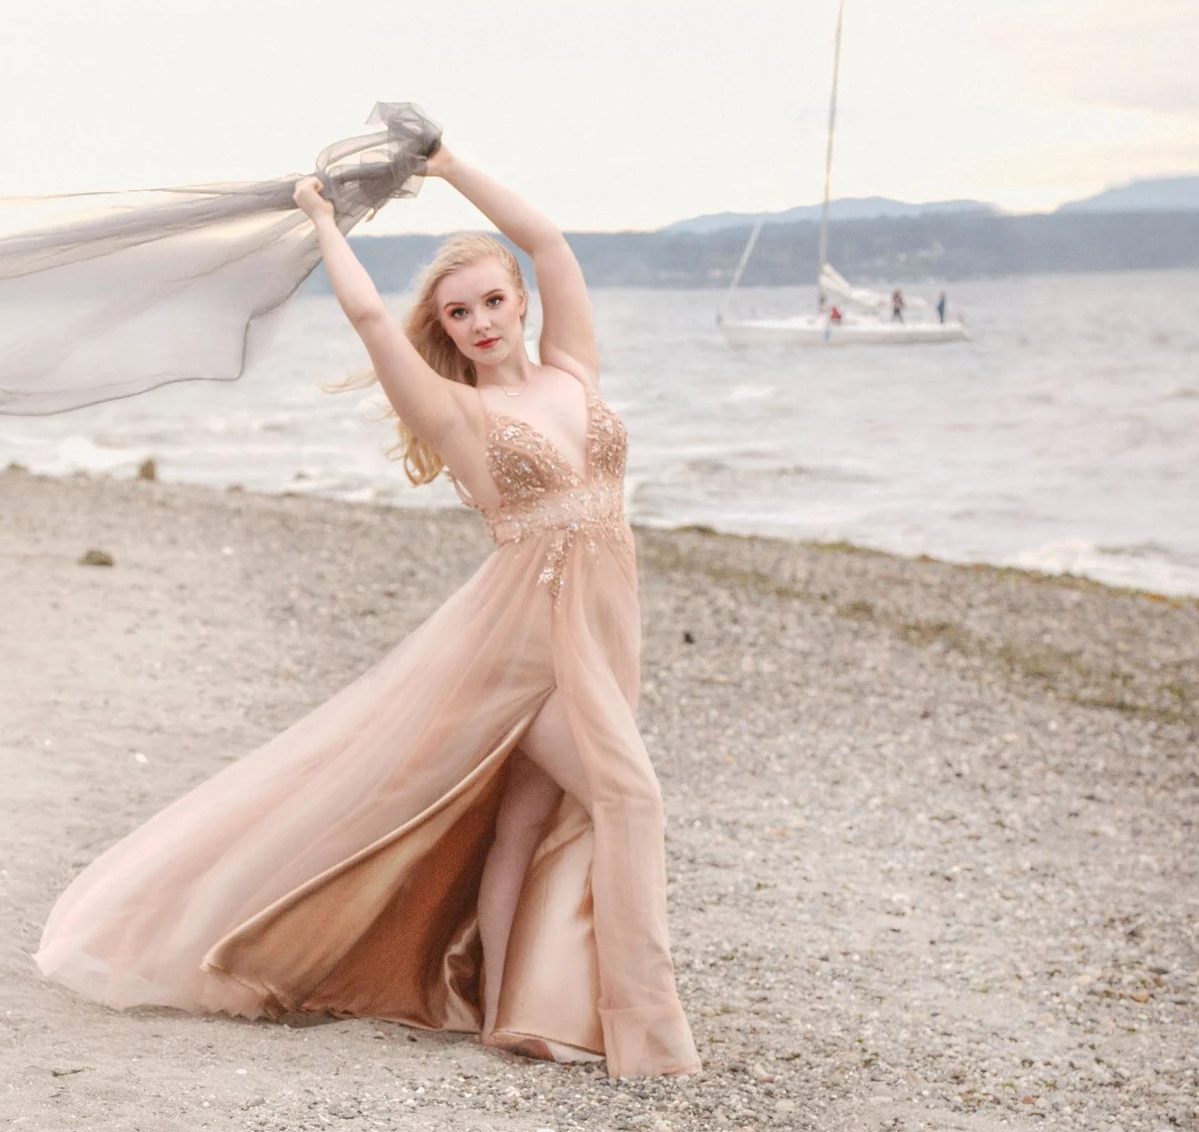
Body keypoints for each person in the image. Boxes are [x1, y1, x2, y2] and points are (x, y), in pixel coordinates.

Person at [35, 143, 701, 1078]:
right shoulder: (457, 413)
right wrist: (321, 220)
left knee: (523, 818)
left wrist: (450, 166)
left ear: (520, 300)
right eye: (458, 312)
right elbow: (367, 318)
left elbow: (549, 240)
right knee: (630, 798)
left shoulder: (573, 371)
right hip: (527, 641)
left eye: (492, 301)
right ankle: (649, 1034)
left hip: (604, 628)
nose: (479, 322)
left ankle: (503, 1010)